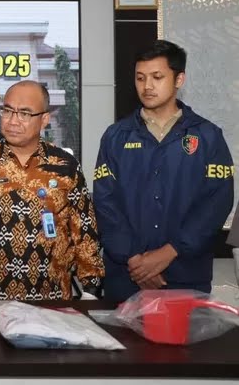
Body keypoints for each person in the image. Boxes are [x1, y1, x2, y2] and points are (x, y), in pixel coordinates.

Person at [93, 40, 234, 303]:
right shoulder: (116, 136)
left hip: (186, 274)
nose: (147, 86)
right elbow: (105, 203)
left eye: (157, 77)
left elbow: (216, 202)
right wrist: (135, 260)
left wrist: (169, 252)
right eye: (140, 78)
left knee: (186, 333)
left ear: (179, 79)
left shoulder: (208, 136)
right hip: (127, 276)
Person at [0, 80, 104, 301]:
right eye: (7, 111)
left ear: (44, 119)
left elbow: (84, 229)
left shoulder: (66, 166)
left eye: (24, 114)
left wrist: (91, 287)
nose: (12, 121)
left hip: (51, 299)